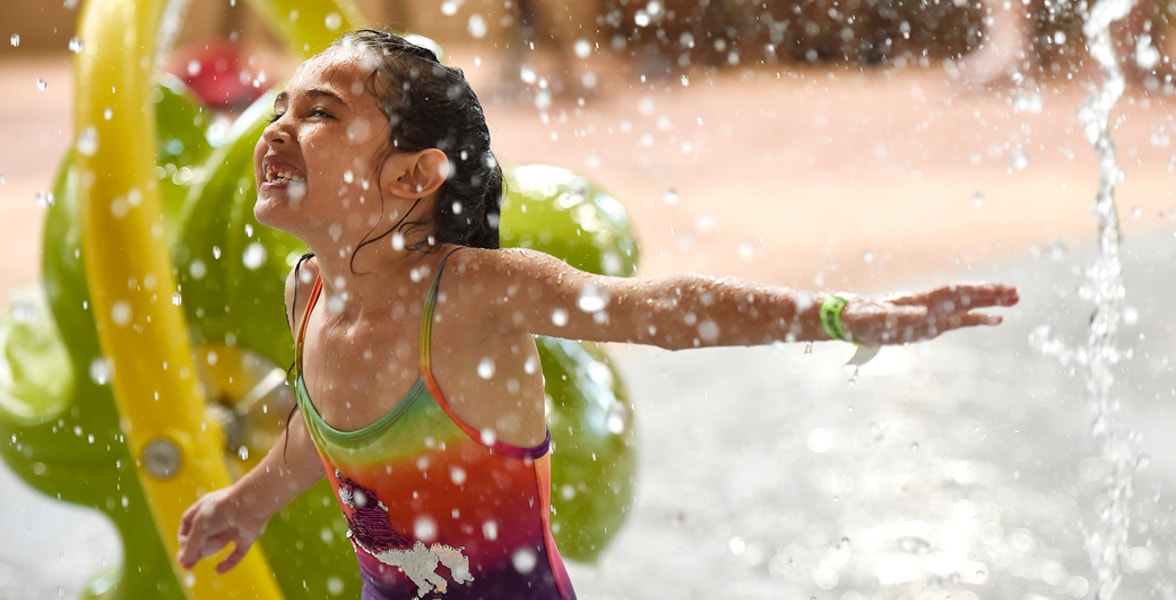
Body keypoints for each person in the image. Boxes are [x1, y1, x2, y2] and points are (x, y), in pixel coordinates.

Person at [175, 29, 1020, 600]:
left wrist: (841, 315)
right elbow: (326, 428)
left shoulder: (473, 297)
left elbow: (657, 311)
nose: (276, 129)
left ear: (411, 178)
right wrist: (248, 501)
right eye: (280, 107)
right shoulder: (309, 293)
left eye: (318, 113)